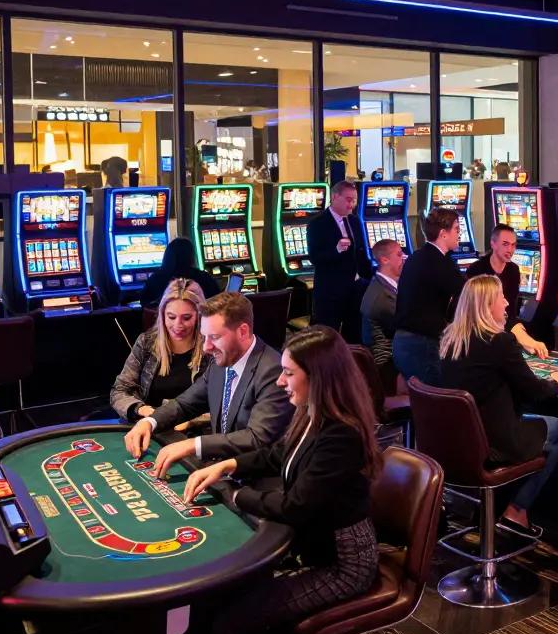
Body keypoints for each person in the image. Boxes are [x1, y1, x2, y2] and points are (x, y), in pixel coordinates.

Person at [183, 326, 382, 634]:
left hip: (343, 565)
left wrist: (232, 495)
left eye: (288, 373)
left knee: (230, 625)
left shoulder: (341, 434)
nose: (279, 381)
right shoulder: (311, 414)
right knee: (208, 606)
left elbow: (295, 506)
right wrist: (227, 466)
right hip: (311, 545)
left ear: (319, 378)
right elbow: (278, 455)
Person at [439, 276, 558, 538]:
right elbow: (535, 391)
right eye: (501, 297)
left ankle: (494, 507)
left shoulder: (451, 339)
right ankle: (517, 509)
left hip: (455, 442)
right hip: (493, 445)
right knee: (557, 428)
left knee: (530, 419)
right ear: (487, 305)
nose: (507, 302)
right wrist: (557, 380)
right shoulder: (499, 343)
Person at [123, 291, 293, 474]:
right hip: (218, 469)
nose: (207, 347)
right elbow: (184, 404)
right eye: (205, 337)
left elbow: (257, 438)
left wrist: (192, 445)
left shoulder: (273, 371)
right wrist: (150, 422)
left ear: (242, 331)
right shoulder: (222, 362)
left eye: (215, 337)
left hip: (257, 477)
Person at [110, 279, 211, 422]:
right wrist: (142, 410)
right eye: (171, 317)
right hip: (151, 426)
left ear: (199, 315)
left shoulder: (211, 346)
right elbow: (120, 391)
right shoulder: (147, 342)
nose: (178, 325)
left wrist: (191, 423)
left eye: (186, 318)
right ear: (162, 315)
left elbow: (225, 404)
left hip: (197, 433)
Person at [392, 207, 465, 386]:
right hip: (421, 345)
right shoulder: (439, 263)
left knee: (422, 405)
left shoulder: (417, 256)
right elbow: (470, 295)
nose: (460, 234)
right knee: (438, 405)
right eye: (456, 229)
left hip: (402, 342)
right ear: (443, 233)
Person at [466, 224, 549, 358]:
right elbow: (473, 314)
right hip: (478, 335)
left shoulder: (513, 271)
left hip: (503, 330)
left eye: (513, 245)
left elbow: (509, 312)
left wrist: (525, 339)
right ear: (493, 244)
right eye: (505, 244)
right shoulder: (476, 270)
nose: (510, 249)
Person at [307, 180, 372, 343]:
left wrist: (371, 279)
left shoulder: (355, 221)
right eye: (349, 200)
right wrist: (335, 250)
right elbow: (315, 258)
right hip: (330, 291)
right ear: (335, 197)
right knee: (328, 340)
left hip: (355, 289)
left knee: (354, 336)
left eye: (354, 200)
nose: (352, 205)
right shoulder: (317, 224)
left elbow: (361, 253)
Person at [360, 238, 405, 391]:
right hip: (387, 361)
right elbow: (406, 323)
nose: (404, 257)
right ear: (385, 260)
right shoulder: (380, 295)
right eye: (399, 254)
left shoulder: (388, 285)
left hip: (397, 350)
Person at [139, 237, 221, 308]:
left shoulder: (156, 278)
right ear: (191, 256)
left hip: (161, 325)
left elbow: (144, 302)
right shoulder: (203, 278)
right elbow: (217, 302)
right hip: (200, 325)